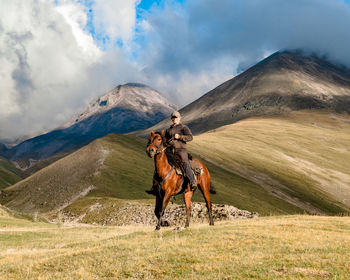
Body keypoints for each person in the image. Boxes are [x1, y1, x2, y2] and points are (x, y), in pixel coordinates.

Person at [146, 111, 196, 195]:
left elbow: (190, 137)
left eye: (176, 117)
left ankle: (192, 181)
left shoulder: (183, 127)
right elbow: (164, 140)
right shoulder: (168, 129)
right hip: (170, 150)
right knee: (160, 164)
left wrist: (180, 137)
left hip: (180, 149)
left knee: (185, 163)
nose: (174, 119)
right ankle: (155, 186)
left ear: (179, 118)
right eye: (173, 117)